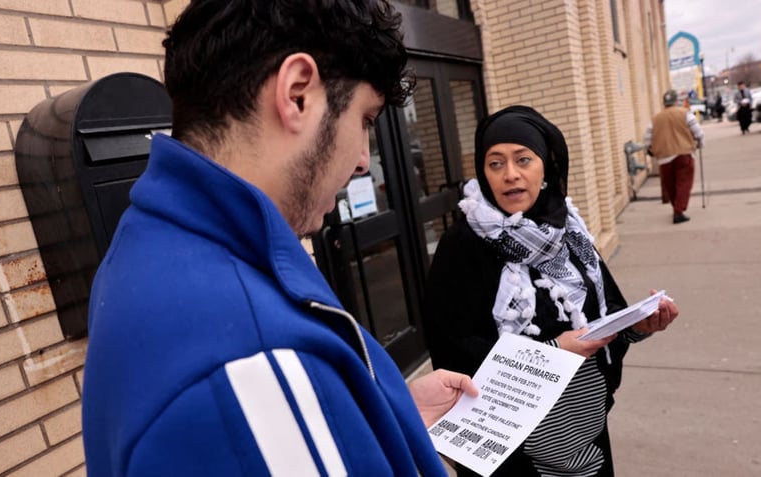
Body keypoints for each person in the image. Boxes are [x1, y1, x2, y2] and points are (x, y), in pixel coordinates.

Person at [81, 1, 478, 476]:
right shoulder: (257, 369)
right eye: (366, 120)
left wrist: (385, 418)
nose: (360, 160)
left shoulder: (150, 239)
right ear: (297, 94)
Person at [422, 105, 680, 477]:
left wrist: (638, 326)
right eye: (495, 164)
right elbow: (453, 347)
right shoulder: (463, 245)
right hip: (515, 445)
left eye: (523, 160)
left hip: (584, 432)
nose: (510, 175)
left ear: (546, 167)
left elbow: (605, 308)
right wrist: (555, 353)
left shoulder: (569, 230)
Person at [644, 89, 704, 224]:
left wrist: (649, 149)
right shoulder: (685, 113)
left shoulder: (655, 118)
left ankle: (676, 207)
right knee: (684, 183)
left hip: (664, 156)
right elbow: (698, 131)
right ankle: (678, 211)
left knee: (670, 184)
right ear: (676, 101)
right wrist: (700, 142)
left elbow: (647, 137)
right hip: (684, 153)